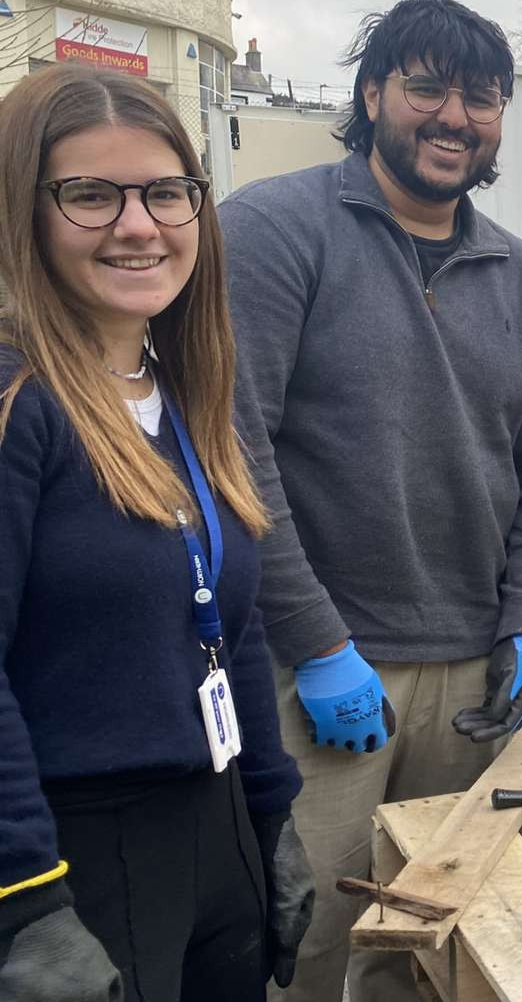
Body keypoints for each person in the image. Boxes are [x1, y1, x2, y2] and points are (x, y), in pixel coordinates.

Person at [218, 0, 522, 999]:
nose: (453, 116)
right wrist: (317, 643)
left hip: (473, 678)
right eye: (427, 86)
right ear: (372, 93)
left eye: (481, 97)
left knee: (433, 942)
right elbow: (233, 449)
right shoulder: (272, 233)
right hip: (317, 676)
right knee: (301, 941)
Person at [0, 64, 312, 1001]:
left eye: (166, 193)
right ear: (24, 212)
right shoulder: (19, 406)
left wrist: (271, 810)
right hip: (78, 854)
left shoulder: (179, 393)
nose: (139, 225)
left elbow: (234, 625)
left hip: (213, 832)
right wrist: (23, 900)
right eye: (90, 195)